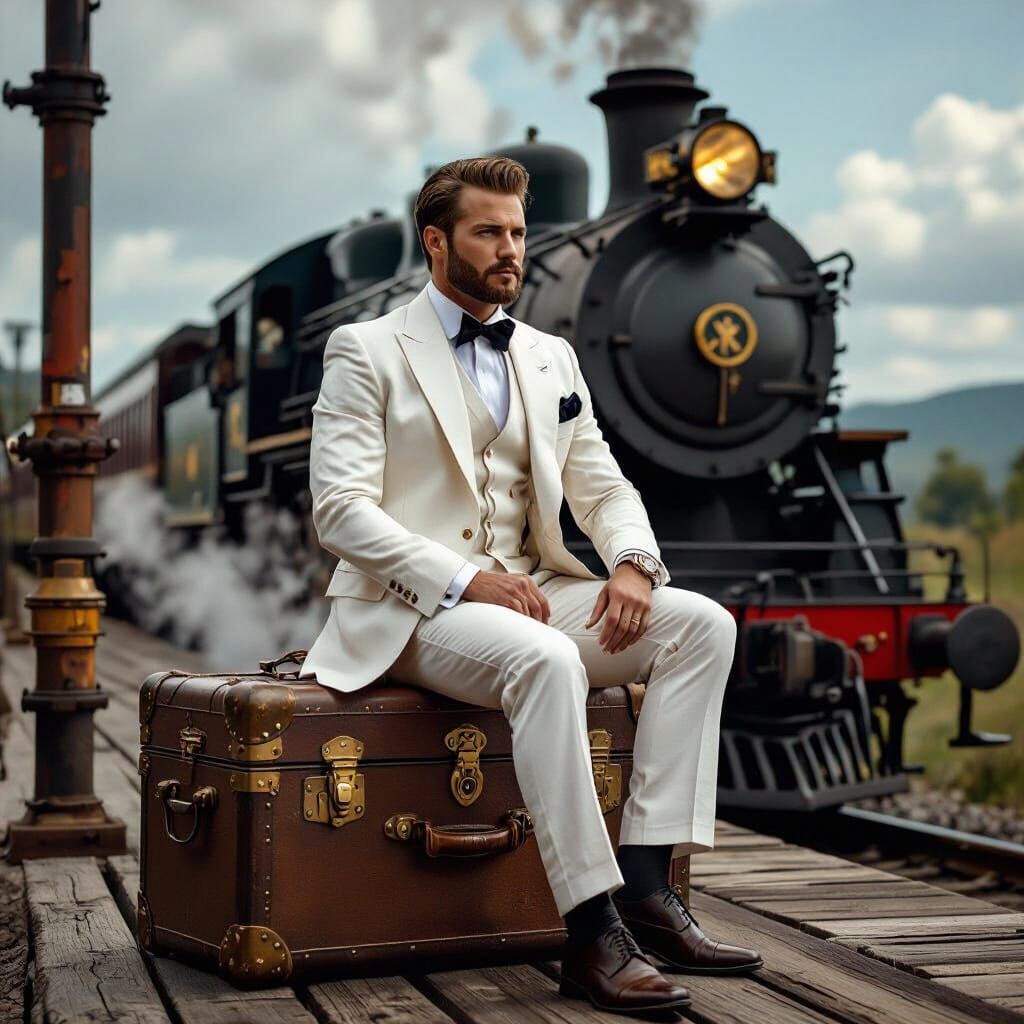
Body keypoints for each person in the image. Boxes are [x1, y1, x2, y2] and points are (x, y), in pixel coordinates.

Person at [299, 155, 762, 1014]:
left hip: (536, 587)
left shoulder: (550, 355)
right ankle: (591, 935)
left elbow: (604, 484)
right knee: (547, 660)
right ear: (436, 242)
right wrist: (466, 578)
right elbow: (340, 512)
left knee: (701, 625)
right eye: (488, 232)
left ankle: (648, 889)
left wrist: (630, 562)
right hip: (413, 610)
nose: (510, 248)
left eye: (517, 232)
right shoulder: (365, 350)